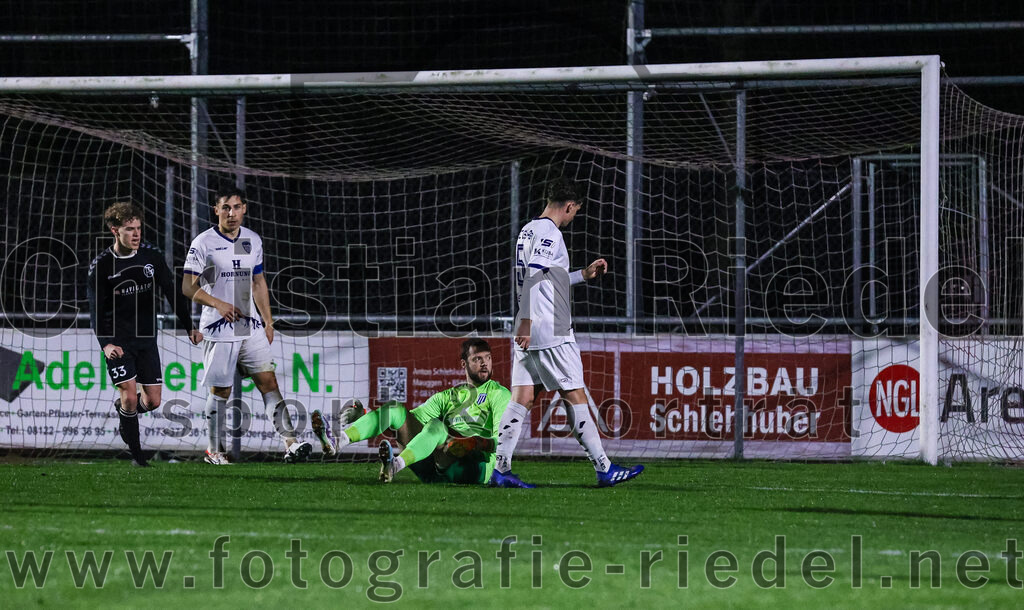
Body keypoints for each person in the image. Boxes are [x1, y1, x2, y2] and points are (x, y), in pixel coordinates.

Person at [492, 176, 644, 488]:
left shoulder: (528, 230)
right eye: (576, 211)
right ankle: (604, 467)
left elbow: (546, 278)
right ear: (570, 206)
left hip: (528, 327)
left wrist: (583, 275)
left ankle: (501, 468)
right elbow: (534, 274)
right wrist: (527, 320)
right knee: (574, 394)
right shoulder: (551, 233)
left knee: (522, 397)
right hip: (550, 326)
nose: (574, 216)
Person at [181, 188, 311, 465]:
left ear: (245, 209)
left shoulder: (252, 240)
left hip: (250, 326)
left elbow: (258, 282)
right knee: (221, 392)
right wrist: (218, 304)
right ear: (216, 210)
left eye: (237, 207)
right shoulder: (204, 242)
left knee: (269, 382)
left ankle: (290, 443)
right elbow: (187, 286)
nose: (232, 213)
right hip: (218, 327)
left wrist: (268, 321)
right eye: (226, 207)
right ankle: (214, 450)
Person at [87, 202, 202, 467]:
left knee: (152, 401)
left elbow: (172, 292)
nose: (136, 234)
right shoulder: (102, 266)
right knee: (128, 393)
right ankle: (138, 456)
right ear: (115, 231)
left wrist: (189, 327)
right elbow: (96, 310)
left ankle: (125, 414)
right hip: (118, 340)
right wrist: (106, 343)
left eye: (139, 228)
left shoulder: (152, 256)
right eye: (130, 229)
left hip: (147, 339)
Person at [311, 338, 510, 485]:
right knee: (396, 410)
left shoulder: (499, 394)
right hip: (436, 466)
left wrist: (473, 442)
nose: (485, 363)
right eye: (478, 359)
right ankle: (338, 441)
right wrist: (366, 413)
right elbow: (406, 426)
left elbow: (501, 443)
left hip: (473, 468)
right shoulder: (448, 396)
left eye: (488, 358)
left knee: (436, 426)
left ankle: (395, 465)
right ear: (464, 364)